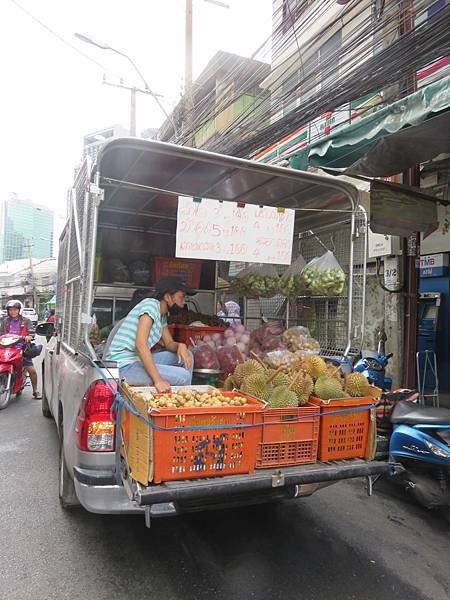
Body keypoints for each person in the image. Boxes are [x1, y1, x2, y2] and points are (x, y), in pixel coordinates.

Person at [105, 277, 194, 390]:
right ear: (167, 297)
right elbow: (140, 345)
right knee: (183, 377)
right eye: (181, 297)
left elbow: (169, 343)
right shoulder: (151, 306)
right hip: (123, 366)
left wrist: (181, 346)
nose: (183, 302)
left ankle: (179, 397)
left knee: (188, 355)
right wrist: (158, 380)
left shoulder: (162, 316)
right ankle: (182, 402)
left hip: (135, 360)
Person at [0, 299, 41, 399]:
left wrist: (29, 336)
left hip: (22, 348)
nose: (13, 312)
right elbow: (1, 333)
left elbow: (31, 332)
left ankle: (35, 391)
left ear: (19, 310)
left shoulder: (26, 321)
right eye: (10, 310)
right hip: (7, 348)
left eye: (15, 309)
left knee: (32, 371)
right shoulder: (5, 321)